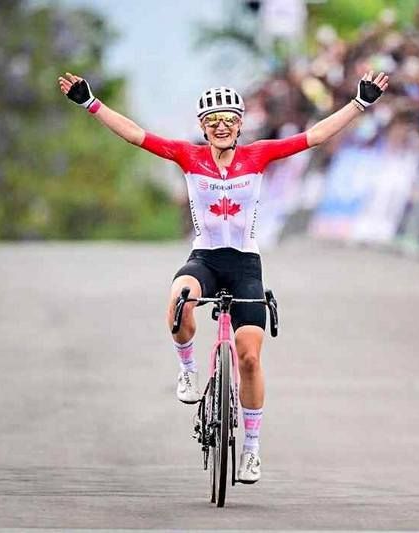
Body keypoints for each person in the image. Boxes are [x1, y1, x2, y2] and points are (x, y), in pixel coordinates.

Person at [57, 70, 388, 483]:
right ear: (203, 128)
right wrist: (91, 102)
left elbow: (315, 136)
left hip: (246, 264)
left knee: (249, 358)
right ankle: (186, 369)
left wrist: (360, 103)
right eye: (212, 121)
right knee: (180, 297)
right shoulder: (187, 156)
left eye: (229, 120)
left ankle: (250, 450)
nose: (220, 127)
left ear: (239, 124)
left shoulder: (259, 155)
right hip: (206, 261)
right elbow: (136, 135)